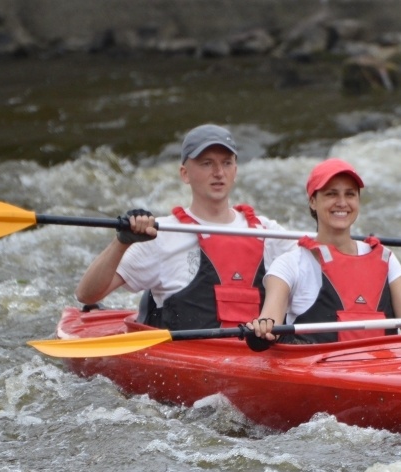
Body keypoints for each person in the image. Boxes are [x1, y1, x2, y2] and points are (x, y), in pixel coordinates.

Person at [246, 158, 401, 347]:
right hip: (316, 372)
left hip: (382, 369)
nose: (342, 203)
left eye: (350, 194)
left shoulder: (385, 259)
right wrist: (263, 330)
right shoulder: (289, 264)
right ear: (313, 201)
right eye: (331, 194)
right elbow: (271, 321)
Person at [75, 124, 296, 330]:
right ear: (184, 174)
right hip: (184, 353)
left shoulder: (268, 232)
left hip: (255, 353)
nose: (219, 172)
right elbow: (87, 295)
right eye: (207, 163)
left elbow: (315, 261)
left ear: (235, 171)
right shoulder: (161, 235)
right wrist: (121, 243)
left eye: (226, 163)